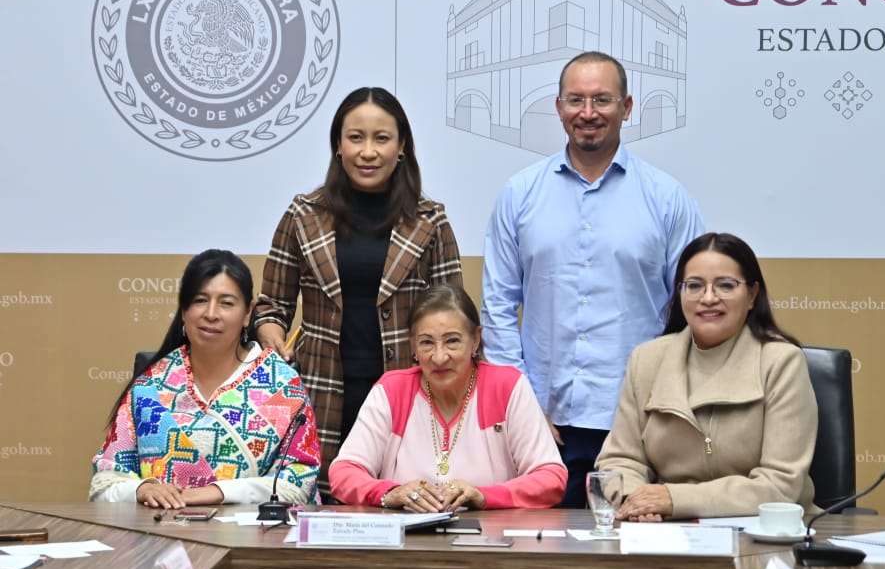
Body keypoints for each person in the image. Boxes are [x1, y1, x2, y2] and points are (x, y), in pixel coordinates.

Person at [482, 51, 704, 508]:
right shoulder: (519, 193)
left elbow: (692, 310)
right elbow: (498, 305)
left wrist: (664, 402)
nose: (588, 113)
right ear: (558, 107)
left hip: (640, 424)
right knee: (538, 548)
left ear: (627, 107)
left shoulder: (667, 198)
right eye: (576, 100)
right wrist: (520, 406)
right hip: (544, 424)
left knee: (635, 549)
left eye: (602, 99)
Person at [254, 87, 462, 498]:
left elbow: (452, 316)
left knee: (406, 498)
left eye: (381, 138)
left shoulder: (430, 220)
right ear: (338, 145)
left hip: (408, 390)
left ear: (401, 147)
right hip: (320, 390)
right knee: (323, 502)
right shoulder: (303, 215)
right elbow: (271, 307)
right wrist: (271, 333)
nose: (368, 152)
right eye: (355, 137)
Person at [595, 232, 818, 521]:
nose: (709, 298)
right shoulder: (646, 360)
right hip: (664, 528)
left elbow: (780, 485)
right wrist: (637, 503)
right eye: (695, 286)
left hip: (765, 528)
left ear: (752, 295)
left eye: (725, 285)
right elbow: (620, 461)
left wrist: (673, 499)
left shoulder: (781, 361)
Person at [91, 249, 320, 508]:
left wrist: (220, 492)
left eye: (226, 303)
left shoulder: (282, 386)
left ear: (248, 312)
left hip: (252, 531)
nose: (211, 313)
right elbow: (104, 484)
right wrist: (142, 489)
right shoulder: (150, 386)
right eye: (200, 300)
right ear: (184, 309)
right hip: (158, 529)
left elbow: (300, 482)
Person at [329, 283, 565, 510]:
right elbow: (343, 472)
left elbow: (551, 477)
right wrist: (390, 493)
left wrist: (484, 496)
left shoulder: (507, 386)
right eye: (426, 343)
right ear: (413, 347)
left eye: (452, 341)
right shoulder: (392, 391)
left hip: (490, 534)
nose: (439, 357)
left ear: (475, 340)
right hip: (407, 535)